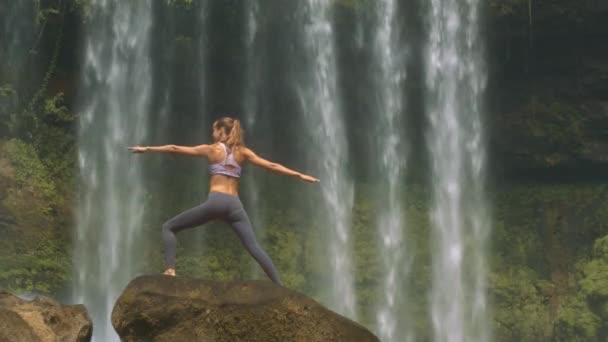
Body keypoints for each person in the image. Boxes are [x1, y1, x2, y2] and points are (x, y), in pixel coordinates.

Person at [128, 117, 320, 286]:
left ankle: (170, 270)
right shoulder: (243, 152)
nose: (212, 133)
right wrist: (301, 175)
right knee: (254, 247)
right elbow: (272, 165)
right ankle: (279, 285)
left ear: (221, 131)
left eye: (214, 129)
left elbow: (175, 149)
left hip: (216, 202)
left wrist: (146, 149)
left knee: (168, 227)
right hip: (235, 206)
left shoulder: (211, 150)